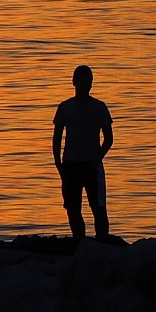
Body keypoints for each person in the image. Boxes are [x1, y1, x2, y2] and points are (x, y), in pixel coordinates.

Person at [51, 64, 114, 242]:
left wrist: (97, 158)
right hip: (70, 165)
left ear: (91, 83)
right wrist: (58, 163)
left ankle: (102, 242)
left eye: (87, 81)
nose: (84, 84)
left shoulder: (99, 107)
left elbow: (109, 138)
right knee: (72, 207)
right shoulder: (65, 107)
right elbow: (56, 137)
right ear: (73, 82)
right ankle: (80, 242)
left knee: (99, 207)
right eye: (80, 80)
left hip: (91, 165)